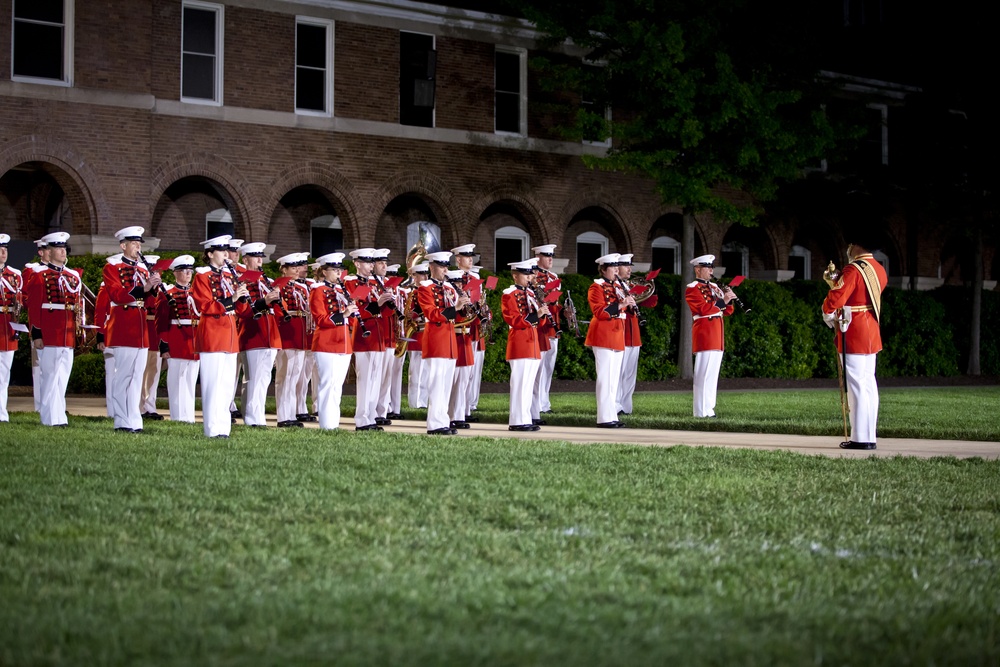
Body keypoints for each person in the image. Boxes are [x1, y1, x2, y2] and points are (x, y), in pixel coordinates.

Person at [822, 237, 887, 450]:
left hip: (854, 329)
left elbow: (837, 297)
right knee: (868, 383)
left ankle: (860, 437)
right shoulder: (878, 268)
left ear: (857, 245)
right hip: (870, 328)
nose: (848, 248)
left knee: (857, 385)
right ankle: (868, 435)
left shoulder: (854, 269)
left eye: (850, 244)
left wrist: (827, 311)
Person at [103, 226, 162, 433]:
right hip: (123, 326)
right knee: (123, 377)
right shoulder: (112, 267)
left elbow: (148, 301)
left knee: (137, 378)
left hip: (140, 328)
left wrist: (154, 287)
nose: (138, 246)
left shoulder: (143, 269)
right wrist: (144, 288)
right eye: (134, 243)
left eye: (139, 243)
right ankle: (121, 420)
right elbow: (117, 294)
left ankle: (134, 420)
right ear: (123, 245)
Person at [192, 235, 250, 438]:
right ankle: (212, 428)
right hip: (212, 334)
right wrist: (231, 299)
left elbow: (239, 309)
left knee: (226, 385)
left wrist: (241, 298)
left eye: (227, 250)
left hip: (229, 335)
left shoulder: (228, 275)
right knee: (212, 384)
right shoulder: (202, 276)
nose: (226, 254)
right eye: (221, 251)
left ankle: (223, 428)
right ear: (209, 254)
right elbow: (205, 305)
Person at [25, 232, 81, 427]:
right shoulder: (40, 275)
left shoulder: (71, 276)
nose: (63, 252)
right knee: (50, 377)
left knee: (62, 377)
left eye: (64, 248)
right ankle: (49, 418)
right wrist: (37, 333)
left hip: (67, 333)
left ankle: (59, 416)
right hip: (49, 332)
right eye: (58, 248)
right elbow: (33, 307)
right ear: (48, 251)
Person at [417, 250, 468, 435]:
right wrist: (455, 308)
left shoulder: (449, 288)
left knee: (446, 385)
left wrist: (464, 308)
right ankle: (435, 424)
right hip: (436, 339)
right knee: (437, 383)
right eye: (441, 266)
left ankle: (443, 421)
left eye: (447, 266)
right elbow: (431, 314)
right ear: (432, 267)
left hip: (449, 341)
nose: (445, 270)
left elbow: (457, 315)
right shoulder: (425, 288)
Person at [235, 242, 283, 428]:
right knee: (253, 379)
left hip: (270, 335)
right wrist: (265, 301)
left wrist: (277, 300)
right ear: (245, 259)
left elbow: (278, 312)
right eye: (255, 257)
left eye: (261, 257)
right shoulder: (241, 281)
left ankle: (258, 416)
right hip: (253, 335)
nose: (259, 260)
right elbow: (243, 312)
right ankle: (252, 418)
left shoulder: (266, 281)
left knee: (264, 380)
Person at [346, 248, 394, 431]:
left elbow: (383, 312)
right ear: (357, 264)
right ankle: (362, 419)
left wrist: (389, 302)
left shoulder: (374, 283)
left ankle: (371, 417)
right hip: (364, 337)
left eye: (372, 262)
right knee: (366, 380)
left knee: (376, 379)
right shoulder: (351, 281)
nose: (371, 265)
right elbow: (357, 308)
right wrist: (378, 303)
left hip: (379, 337)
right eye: (367, 262)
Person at [309, 252, 358, 430]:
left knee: (337, 387)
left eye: (340, 270)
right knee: (328, 384)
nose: (339, 273)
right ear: (324, 272)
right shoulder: (317, 290)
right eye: (334, 270)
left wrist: (352, 312)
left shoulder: (341, 291)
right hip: (326, 343)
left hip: (344, 343)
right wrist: (343, 314)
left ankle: (333, 424)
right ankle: (327, 425)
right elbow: (320, 319)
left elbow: (350, 321)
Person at [685, 254, 735, 418]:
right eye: (708, 268)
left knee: (712, 376)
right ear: (698, 269)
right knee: (703, 374)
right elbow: (702, 309)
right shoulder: (692, 288)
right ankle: (700, 411)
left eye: (712, 267)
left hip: (716, 334)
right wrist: (722, 301)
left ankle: (709, 409)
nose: (711, 271)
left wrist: (729, 299)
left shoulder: (714, 287)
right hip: (705, 333)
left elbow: (727, 311)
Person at [501, 258, 549, 431]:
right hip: (520, 343)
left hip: (533, 343)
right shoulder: (509, 294)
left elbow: (538, 323)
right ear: (515, 276)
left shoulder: (530, 294)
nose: (529, 278)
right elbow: (514, 320)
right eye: (525, 274)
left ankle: (525, 419)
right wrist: (537, 315)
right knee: (520, 384)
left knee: (528, 384)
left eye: (530, 274)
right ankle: (517, 421)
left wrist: (542, 315)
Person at [585, 253, 631, 428]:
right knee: (605, 378)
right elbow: (599, 311)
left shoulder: (618, 287)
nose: (617, 270)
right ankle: (604, 417)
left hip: (617, 335)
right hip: (603, 335)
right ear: (604, 270)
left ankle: (612, 415)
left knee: (613, 379)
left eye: (617, 267)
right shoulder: (595, 287)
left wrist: (630, 304)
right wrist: (620, 305)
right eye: (613, 267)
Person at [157, 255, 200, 423]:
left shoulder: (196, 293)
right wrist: (164, 345)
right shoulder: (168, 294)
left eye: (190, 271)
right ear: (175, 273)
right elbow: (161, 322)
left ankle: (188, 417)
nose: (188, 274)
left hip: (194, 341)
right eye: (183, 271)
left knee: (190, 381)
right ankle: (177, 416)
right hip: (177, 338)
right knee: (176, 381)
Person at [274, 252, 311, 428]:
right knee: (284, 374)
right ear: (284, 269)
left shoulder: (302, 287)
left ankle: (291, 413)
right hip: (286, 331)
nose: (297, 270)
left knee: (295, 374)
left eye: (298, 267)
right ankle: (283, 415)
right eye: (292, 267)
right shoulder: (278, 286)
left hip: (300, 331)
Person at [531, 244, 561, 417]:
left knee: (548, 367)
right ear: (538, 257)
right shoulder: (534, 276)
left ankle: (544, 401)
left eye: (551, 256)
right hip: (541, 326)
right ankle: (538, 403)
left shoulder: (554, 276)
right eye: (547, 255)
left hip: (552, 326)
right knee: (539, 368)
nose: (550, 259)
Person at [446, 268, 475, 429]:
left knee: (464, 381)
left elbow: (473, 320)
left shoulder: (462, 298)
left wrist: (478, 309)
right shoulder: (449, 298)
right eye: (455, 283)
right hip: (455, 338)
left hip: (466, 340)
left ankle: (461, 414)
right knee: (453, 381)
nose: (459, 286)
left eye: (460, 283)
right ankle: (452, 416)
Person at [615, 253, 642, 415]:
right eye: (626, 266)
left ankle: (626, 405)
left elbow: (652, 303)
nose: (629, 269)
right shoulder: (616, 287)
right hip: (621, 334)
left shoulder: (629, 286)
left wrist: (646, 293)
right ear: (617, 268)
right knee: (618, 372)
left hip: (634, 335)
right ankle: (616, 405)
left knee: (630, 374)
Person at [0, 234, 23, 422]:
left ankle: (2, 413)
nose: (3, 253)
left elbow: (19, 300)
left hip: (7, 326)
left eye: (5, 249)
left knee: (4, 372)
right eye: (0, 249)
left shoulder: (15, 275)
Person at [138, 255, 164, 420]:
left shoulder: (161, 288)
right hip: (144, 327)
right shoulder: (142, 286)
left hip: (155, 330)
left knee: (154, 371)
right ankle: (140, 406)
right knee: (141, 370)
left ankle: (150, 404)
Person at [404, 262, 430, 409]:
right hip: (416, 334)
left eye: (426, 274)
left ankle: (423, 401)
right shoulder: (411, 293)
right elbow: (408, 313)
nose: (425, 276)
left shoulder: (429, 291)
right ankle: (416, 403)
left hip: (427, 334)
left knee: (426, 373)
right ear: (414, 276)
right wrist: (413, 315)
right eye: (421, 274)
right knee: (416, 373)